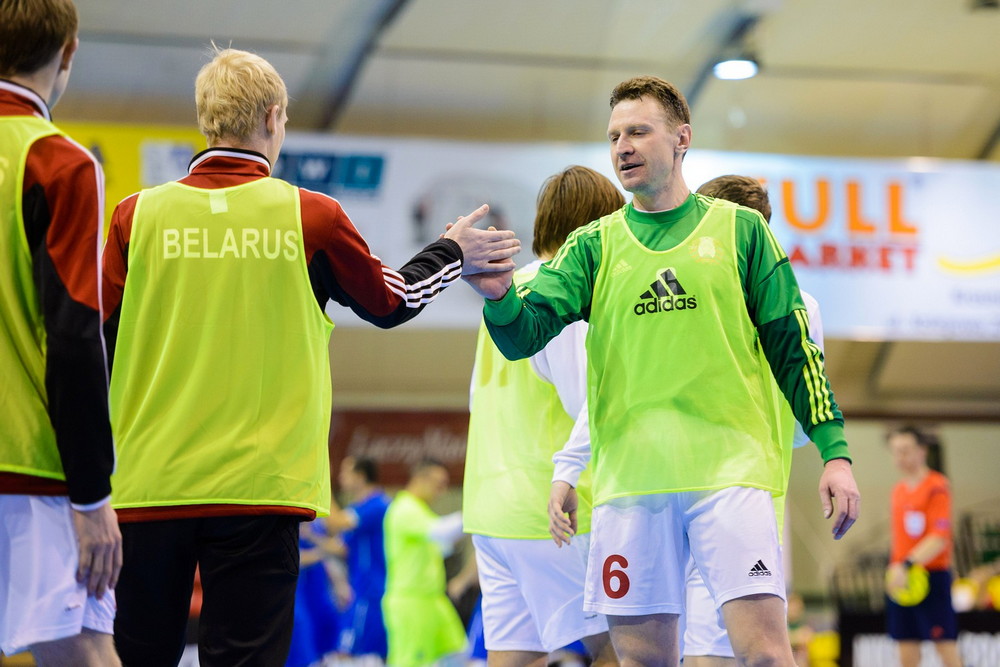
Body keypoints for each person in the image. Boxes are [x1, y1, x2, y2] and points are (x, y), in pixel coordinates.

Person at [101, 47, 519, 666]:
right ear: (273, 119)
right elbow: (389, 302)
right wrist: (451, 251)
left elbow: (94, 344)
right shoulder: (310, 217)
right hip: (259, 489)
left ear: (205, 121)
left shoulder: (135, 217)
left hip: (146, 486)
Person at [474, 75, 861, 665]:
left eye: (637, 131)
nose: (622, 146)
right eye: (613, 136)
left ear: (682, 138)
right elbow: (526, 332)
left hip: (729, 479)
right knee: (640, 661)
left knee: (764, 654)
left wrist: (834, 451)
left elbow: (794, 348)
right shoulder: (592, 246)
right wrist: (500, 295)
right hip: (630, 488)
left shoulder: (742, 231)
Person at [0, 1, 121, 664]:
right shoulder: (58, 161)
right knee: (85, 652)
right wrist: (92, 493)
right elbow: (75, 337)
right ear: (68, 51)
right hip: (29, 471)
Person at [464, 165, 622, 667]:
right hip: (555, 514)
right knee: (625, 652)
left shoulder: (510, 291)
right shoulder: (570, 293)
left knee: (515, 659)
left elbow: (476, 400)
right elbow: (589, 403)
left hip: (492, 510)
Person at [677, 174, 826, 666]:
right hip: (743, 492)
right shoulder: (804, 304)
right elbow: (805, 426)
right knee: (725, 649)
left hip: (720, 491)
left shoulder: (688, 298)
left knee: (730, 650)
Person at [885, 426, 962, 667]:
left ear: (922, 451)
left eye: (906, 451)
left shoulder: (937, 486)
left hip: (932, 576)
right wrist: (895, 569)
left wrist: (907, 564)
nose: (901, 458)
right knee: (906, 650)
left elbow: (939, 537)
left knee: (945, 647)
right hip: (902, 579)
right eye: (896, 452)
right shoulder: (898, 491)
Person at [382, 459, 467, 667]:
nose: (442, 491)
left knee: (459, 654)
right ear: (421, 479)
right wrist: (476, 512)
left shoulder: (421, 510)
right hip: (411, 601)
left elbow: (443, 544)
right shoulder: (404, 508)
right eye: (439, 484)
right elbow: (442, 531)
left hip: (434, 599)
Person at [326, 456, 393, 665]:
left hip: (372, 591)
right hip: (360, 590)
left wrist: (320, 485)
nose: (340, 477)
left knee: (349, 652)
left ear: (361, 477)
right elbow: (341, 548)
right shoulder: (359, 508)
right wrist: (309, 538)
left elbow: (336, 523)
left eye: (346, 472)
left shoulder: (377, 505)